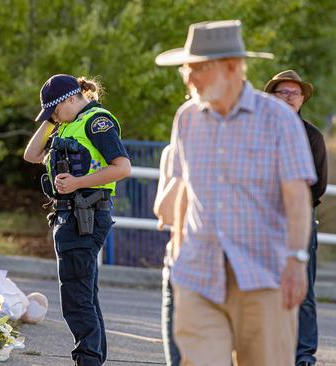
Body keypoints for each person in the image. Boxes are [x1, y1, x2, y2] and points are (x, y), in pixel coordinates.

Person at [155, 20, 317, 365]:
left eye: (197, 68)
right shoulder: (186, 118)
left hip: (263, 277)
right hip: (198, 276)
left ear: (231, 67)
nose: (188, 78)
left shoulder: (279, 120)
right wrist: (179, 253)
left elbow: (297, 197)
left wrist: (296, 261)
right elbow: (184, 192)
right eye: (186, 68)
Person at [24, 74, 131, 366]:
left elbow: (122, 168)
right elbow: (31, 154)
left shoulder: (97, 122)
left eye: (55, 109)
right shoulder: (67, 125)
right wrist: (50, 118)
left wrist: (78, 182)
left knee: (76, 297)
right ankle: (94, 358)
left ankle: (88, 360)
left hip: (86, 214)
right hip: (69, 216)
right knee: (84, 293)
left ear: (72, 98)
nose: (54, 116)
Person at [264, 70, 328, 366]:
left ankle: (303, 355)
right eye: (282, 93)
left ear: (302, 99)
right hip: (261, 220)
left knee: (302, 288)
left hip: (298, 220)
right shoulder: (257, 132)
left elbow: (318, 185)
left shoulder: (312, 135)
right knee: (261, 286)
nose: (288, 98)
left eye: (294, 93)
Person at [153, 144, 182, 366]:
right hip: (182, 264)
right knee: (179, 359)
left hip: (233, 272)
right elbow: (165, 212)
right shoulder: (174, 152)